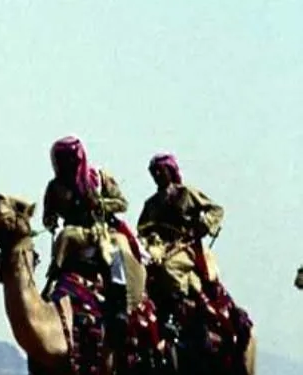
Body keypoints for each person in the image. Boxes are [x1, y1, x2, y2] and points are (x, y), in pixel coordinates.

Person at [41, 136, 130, 321]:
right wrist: (50, 221)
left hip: (99, 231)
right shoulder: (55, 187)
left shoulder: (97, 178)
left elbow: (122, 204)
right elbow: (48, 216)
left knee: (114, 248)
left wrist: (100, 204)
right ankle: (52, 284)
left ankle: (119, 302)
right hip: (74, 234)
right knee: (64, 238)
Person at [137, 152, 225, 304]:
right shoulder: (151, 204)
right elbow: (142, 229)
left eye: (160, 170)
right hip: (157, 247)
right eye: (154, 172)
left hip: (185, 246)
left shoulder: (186, 193)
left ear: (170, 171)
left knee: (169, 268)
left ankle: (176, 305)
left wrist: (204, 224)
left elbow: (216, 210)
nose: (157, 175)